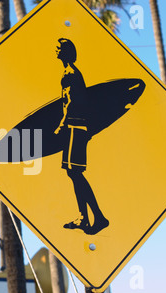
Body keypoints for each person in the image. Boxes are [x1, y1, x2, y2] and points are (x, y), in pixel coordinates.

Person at [54, 38, 109, 235]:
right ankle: (86, 217)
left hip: (74, 126)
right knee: (73, 173)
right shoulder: (71, 72)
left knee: (75, 172)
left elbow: (70, 102)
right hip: (77, 127)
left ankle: (96, 217)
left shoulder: (70, 74)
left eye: (59, 48)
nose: (56, 50)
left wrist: (61, 125)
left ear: (66, 51)